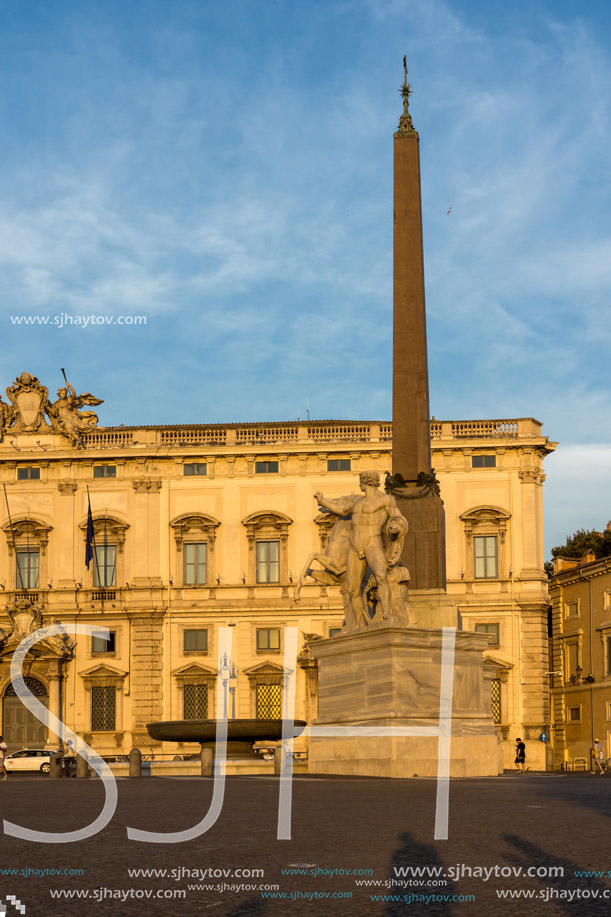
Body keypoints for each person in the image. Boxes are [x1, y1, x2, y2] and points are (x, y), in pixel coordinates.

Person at [314, 471, 403, 629]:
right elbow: (340, 509)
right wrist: (323, 501)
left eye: (360, 482)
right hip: (355, 546)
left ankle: (387, 614)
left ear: (366, 482)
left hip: (372, 542)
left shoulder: (386, 500)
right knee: (352, 588)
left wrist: (396, 527)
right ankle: (359, 624)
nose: (359, 485)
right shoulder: (357, 502)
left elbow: (397, 517)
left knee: (381, 577)